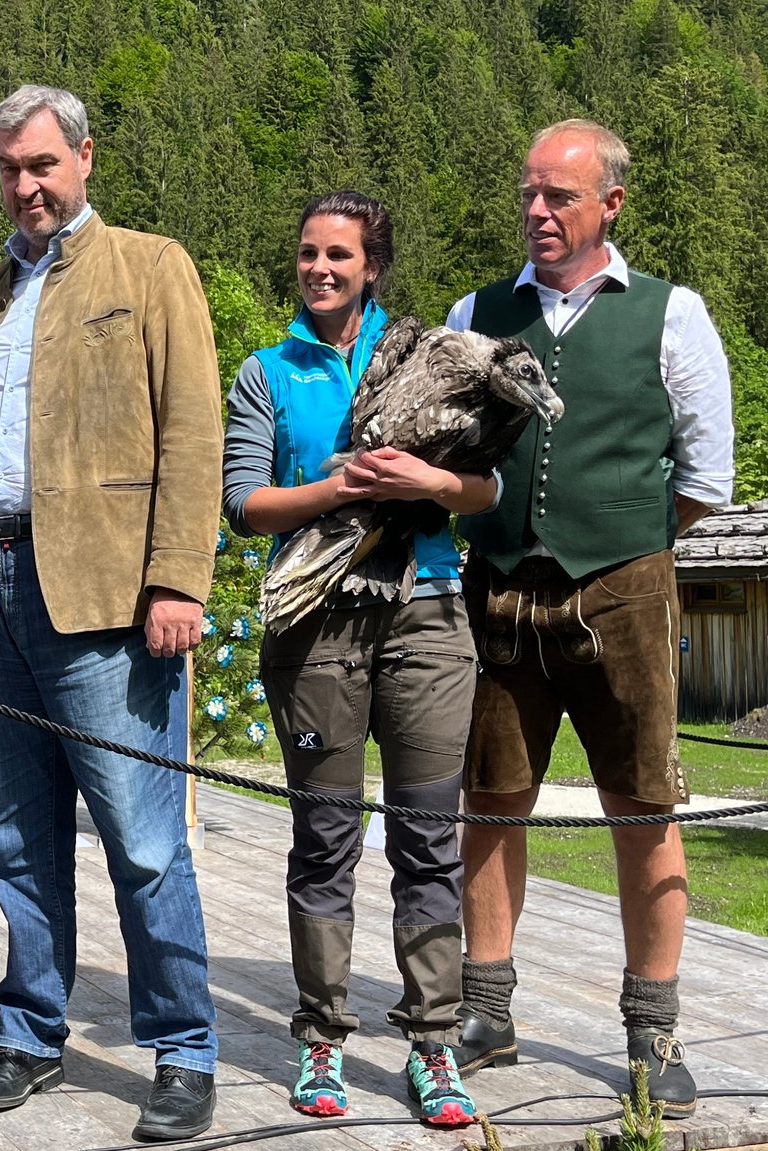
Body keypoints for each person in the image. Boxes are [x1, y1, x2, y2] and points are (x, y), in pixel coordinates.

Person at [0, 84, 223, 1143]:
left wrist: (177, 578)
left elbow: (190, 430)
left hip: (108, 598)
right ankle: (29, 1029)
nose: (26, 186)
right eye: (10, 169)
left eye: (43, 165)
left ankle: (184, 1048)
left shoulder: (151, 266)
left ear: (85, 158)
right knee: (13, 837)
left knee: (143, 839)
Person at [447, 119, 734, 1118]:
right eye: (527, 192)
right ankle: (485, 1007)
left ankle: (651, 1028)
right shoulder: (475, 312)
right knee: (487, 802)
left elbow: (702, 476)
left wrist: (623, 543)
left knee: (643, 805)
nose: (535, 210)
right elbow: (457, 454)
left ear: (608, 204)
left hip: (623, 590)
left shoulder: (670, 314)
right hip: (495, 588)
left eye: (557, 196)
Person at [224, 191, 490, 1126]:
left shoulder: (427, 353)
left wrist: (431, 482)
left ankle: (434, 1044)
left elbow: (487, 485)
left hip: (427, 615)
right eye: (307, 253)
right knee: (325, 840)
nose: (320, 268)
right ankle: (323, 1037)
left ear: (373, 265)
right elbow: (245, 503)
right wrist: (333, 485)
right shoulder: (265, 372)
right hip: (315, 627)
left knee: (428, 840)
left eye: (339, 254)